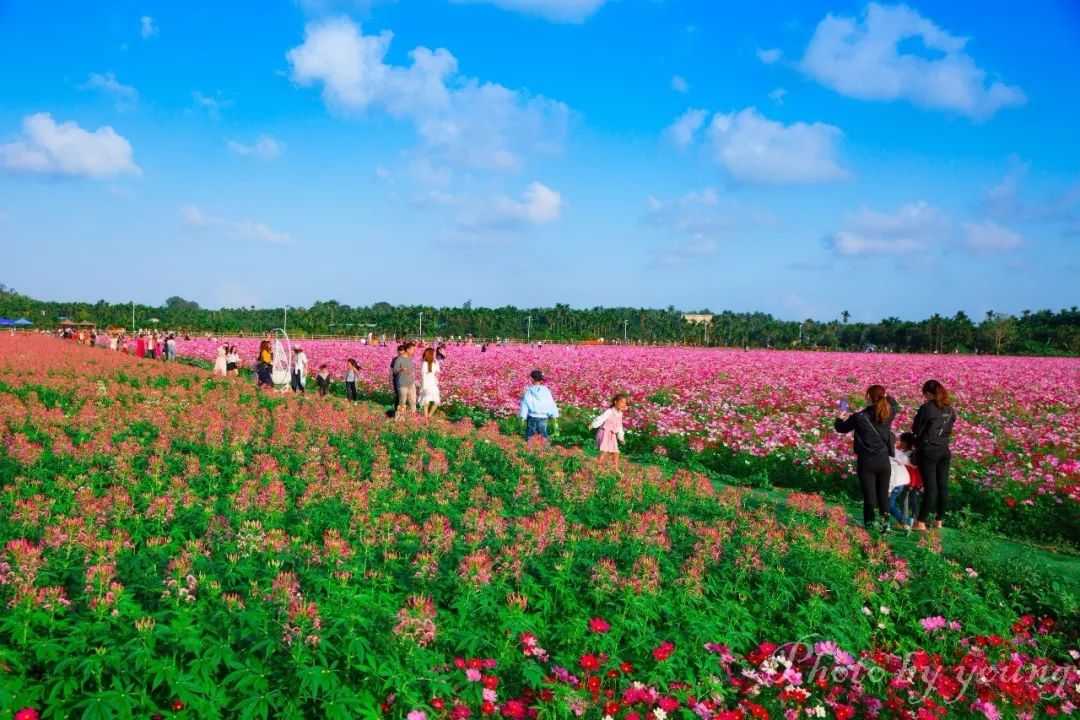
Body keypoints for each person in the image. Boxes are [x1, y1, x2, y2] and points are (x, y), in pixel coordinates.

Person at [834, 385, 900, 535]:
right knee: (883, 496)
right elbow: (894, 403)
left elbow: (841, 428)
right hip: (884, 461)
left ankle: (869, 526)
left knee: (870, 496)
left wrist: (841, 415)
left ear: (868, 397)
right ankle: (885, 526)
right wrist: (886, 395)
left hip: (867, 462)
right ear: (883, 396)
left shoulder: (860, 416)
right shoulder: (889, 413)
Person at [911, 379, 956, 531]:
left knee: (931, 488)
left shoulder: (927, 408)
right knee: (943, 486)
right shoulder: (950, 409)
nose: (925, 397)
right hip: (944, 450)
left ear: (929, 393)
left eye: (925, 394)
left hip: (929, 451)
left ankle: (921, 522)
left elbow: (916, 429)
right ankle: (939, 520)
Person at [591, 393, 629, 474]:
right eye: (622, 402)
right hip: (604, 433)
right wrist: (593, 424)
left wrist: (621, 438)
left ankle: (615, 469)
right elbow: (601, 418)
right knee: (604, 451)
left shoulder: (620, 414)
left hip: (612, 435)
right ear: (616, 402)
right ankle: (597, 469)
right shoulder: (609, 411)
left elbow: (619, 426)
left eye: (625, 403)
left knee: (615, 453)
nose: (623, 404)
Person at [519, 370, 559, 444]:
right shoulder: (546, 390)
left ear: (532, 379)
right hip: (543, 417)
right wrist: (554, 415)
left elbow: (525, 404)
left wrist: (523, 417)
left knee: (530, 434)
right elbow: (551, 403)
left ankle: (529, 451)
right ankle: (546, 451)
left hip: (532, 416)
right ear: (541, 380)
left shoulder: (529, 391)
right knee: (543, 434)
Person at [887, 433, 916, 531]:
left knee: (889, 505)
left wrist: (889, 489)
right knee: (890, 503)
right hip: (902, 482)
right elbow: (905, 461)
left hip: (895, 483)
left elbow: (892, 475)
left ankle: (905, 521)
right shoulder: (898, 452)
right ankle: (890, 524)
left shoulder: (890, 455)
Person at [392, 345, 417, 416]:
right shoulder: (399, 359)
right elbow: (395, 371)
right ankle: (399, 417)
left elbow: (412, 371)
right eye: (412, 350)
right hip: (402, 383)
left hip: (411, 383)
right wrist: (401, 368)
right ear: (408, 350)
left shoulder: (410, 359)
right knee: (402, 401)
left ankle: (413, 416)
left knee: (413, 401)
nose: (413, 351)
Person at [418, 347, 441, 418]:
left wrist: (436, 361)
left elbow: (438, 371)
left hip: (433, 384)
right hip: (427, 384)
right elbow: (424, 376)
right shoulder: (424, 364)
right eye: (434, 354)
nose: (435, 355)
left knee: (436, 401)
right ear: (430, 354)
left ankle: (429, 416)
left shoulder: (434, 363)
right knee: (426, 401)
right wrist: (425, 387)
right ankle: (426, 418)